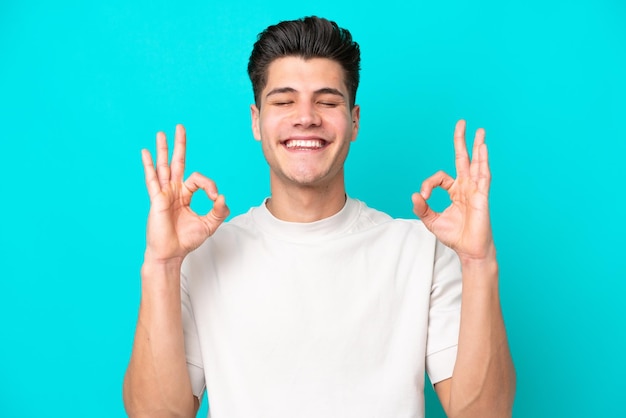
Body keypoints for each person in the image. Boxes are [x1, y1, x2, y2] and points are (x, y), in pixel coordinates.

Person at [123, 16, 515, 418]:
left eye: (327, 101)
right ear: (256, 120)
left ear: (355, 120)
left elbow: (484, 414)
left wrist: (479, 262)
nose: (306, 117)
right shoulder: (203, 256)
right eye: (284, 101)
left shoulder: (423, 251)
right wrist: (162, 265)